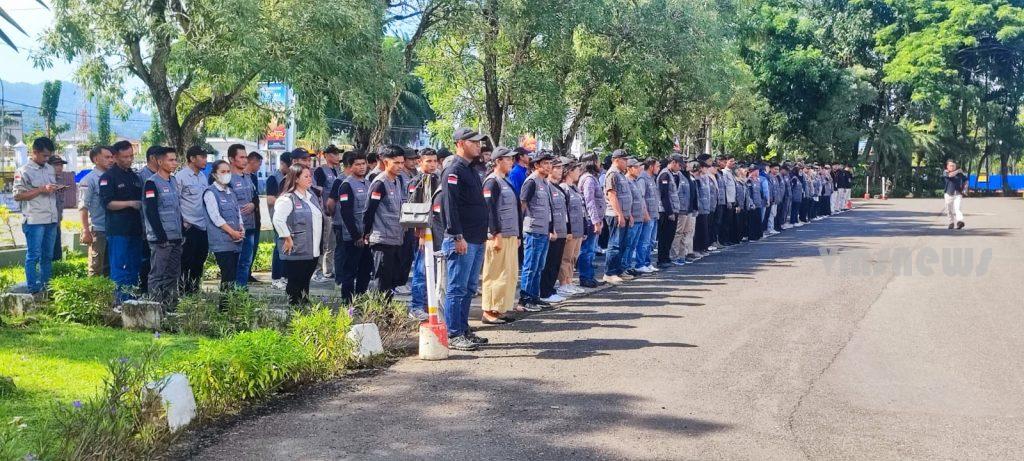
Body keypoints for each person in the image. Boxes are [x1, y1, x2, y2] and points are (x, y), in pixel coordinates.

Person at [440, 128, 490, 351]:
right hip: (462, 238)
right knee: (456, 288)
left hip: (476, 238)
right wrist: (456, 235)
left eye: (479, 142)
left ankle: (463, 329)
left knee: (469, 288)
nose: (479, 146)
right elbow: (449, 206)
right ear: (460, 143)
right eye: (474, 142)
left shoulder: (471, 169)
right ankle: (453, 333)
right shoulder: (454, 169)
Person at [13, 137, 61, 294]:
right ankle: (33, 289)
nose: (47, 159)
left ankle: (47, 288)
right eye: (44, 155)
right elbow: (18, 195)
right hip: (34, 220)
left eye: (49, 156)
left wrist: (56, 188)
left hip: (51, 219)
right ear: (34, 152)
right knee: (33, 256)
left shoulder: (49, 169)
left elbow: (49, 189)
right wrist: (40, 189)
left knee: (47, 256)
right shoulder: (23, 171)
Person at [100, 140, 145, 302]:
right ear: (116, 157)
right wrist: (130, 203)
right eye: (125, 157)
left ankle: (132, 300)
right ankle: (120, 301)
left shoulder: (134, 176)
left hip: (135, 228)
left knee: (134, 265)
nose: (129, 159)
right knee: (119, 267)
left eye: (131, 156)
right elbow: (108, 203)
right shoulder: (108, 177)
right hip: (118, 229)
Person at [481, 146, 521, 324]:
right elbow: (489, 211)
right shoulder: (492, 182)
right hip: (499, 235)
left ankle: (500, 308)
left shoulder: (505, 180)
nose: (511, 162)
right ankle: (489, 310)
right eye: (508, 159)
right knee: (495, 273)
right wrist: (495, 233)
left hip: (510, 234)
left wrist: (517, 235)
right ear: (498, 161)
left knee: (508, 274)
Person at [272, 164, 322, 304]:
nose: (310, 179)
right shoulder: (288, 199)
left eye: (310, 176)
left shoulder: (311, 197)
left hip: (312, 249)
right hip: (297, 249)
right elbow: (278, 220)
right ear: (296, 179)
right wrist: (287, 238)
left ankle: (304, 307)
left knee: (305, 282)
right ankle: (294, 309)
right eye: (306, 176)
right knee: (295, 283)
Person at [327, 151, 372, 302]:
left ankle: (360, 298)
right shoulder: (346, 185)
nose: (362, 167)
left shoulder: (368, 183)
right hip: (353, 237)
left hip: (366, 235)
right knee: (350, 271)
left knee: (365, 269)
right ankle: (347, 301)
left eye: (363, 164)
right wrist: (356, 236)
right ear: (350, 167)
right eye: (357, 164)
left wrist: (367, 233)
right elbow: (346, 213)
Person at [363, 146, 407, 297]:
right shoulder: (379, 183)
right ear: (386, 162)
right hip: (382, 239)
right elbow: (369, 210)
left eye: (402, 162)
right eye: (396, 163)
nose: (400, 166)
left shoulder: (397, 181)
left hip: (396, 238)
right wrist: (366, 232)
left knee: (391, 281)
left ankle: (388, 310)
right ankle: (378, 310)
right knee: (381, 281)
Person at [142, 147, 183, 307]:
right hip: (161, 238)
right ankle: (155, 306)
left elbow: (177, 209)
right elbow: (150, 211)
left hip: (176, 236)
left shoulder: (173, 181)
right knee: (157, 274)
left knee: (173, 274)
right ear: (160, 162)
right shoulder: (151, 183)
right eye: (170, 160)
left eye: (175, 160)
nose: (174, 163)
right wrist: (161, 236)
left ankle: (170, 305)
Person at [405, 148, 440, 321]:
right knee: (421, 271)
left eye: (435, 161)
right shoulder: (416, 182)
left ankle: (429, 304)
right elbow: (414, 209)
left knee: (434, 271)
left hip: (437, 231)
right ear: (420, 162)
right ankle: (416, 306)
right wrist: (419, 233)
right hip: (422, 233)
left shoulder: (437, 179)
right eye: (428, 161)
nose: (432, 165)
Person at [518, 150, 554, 311]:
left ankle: (534, 296)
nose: (549, 166)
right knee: (530, 266)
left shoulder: (544, 182)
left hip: (543, 230)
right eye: (545, 163)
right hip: (532, 230)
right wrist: (520, 229)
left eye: (550, 163)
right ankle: (525, 300)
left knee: (539, 266)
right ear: (537, 165)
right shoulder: (531, 182)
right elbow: (522, 205)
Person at [204, 160, 246, 292]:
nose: (226, 174)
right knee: (227, 276)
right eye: (222, 172)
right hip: (222, 241)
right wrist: (232, 232)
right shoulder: (210, 192)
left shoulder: (231, 192)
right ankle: (225, 303)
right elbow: (216, 218)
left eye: (228, 171)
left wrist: (241, 227)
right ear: (214, 174)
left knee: (232, 275)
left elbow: (238, 213)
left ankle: (231, 302)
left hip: (235, 240)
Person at [225, 145, 259, 288]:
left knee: (246, 262)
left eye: (246, 157)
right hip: (234, 229)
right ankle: (231, 293)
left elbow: (255, 197)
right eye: (242, 157)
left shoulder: (248, 177)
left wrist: (253, 204)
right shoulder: (226, 179)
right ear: (231, 159)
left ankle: (242, 291)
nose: (245, 160)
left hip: (249, 226)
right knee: (233, 263)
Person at [176, 146, 209, 293]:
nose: (205, 160)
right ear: (192, 159)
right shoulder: (180, 177)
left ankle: (195, 291)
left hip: (203, 225)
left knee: (199, 260)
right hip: (189, 226)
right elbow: (175, 201)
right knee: (186, 261)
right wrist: (182, 222)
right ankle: (184, 291)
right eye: (202, 157)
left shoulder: (202, 176)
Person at [79, 145, 113, 276]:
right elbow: (83, 207)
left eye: (111, 157)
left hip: (112, 228)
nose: (111, 160)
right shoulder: (89, 180)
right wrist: (85, 230)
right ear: (96, 159)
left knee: (110, 267)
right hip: (98, 229)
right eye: (107, 157)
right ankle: (94, 290)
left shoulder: (112, 177)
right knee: (96, 266)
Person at [539, 157, 568, 303]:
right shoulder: (547, 186)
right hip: (553, 230)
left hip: (561, 229)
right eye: (557, 167)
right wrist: (551, 229)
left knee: (556, 262)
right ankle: (545, 291)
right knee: (549, 262)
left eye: (561, 168)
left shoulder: (558, 187)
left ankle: (550, 289)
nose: (560, 170)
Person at [602, 149, 633, 284]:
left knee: (622, 244)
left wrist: (628, 214)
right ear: (616, 160)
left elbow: (625, 196)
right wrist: (619, 214)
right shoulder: (613, 174)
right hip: (615, 214)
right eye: (624, 160)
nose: (626, 162)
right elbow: (612, 195)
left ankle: (619, 270)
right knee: (614, 245)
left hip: (624, 214)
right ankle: (609, 273)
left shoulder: (621, 174)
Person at [312, 145, 342, 283]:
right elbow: (318, 192)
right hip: (326, 212)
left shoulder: (338, 170)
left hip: (337, 212)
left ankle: (329, 270)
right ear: (327, 155)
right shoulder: (320, 171)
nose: (337, 157)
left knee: (333, 243)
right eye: (335, 154)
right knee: (324, 242)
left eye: (338, 154)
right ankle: (317, 271)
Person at [575, 152, 604, 288]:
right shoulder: (588, 179)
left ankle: (590, 276)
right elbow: (589, 201)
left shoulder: (592, 178)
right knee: (587, 250)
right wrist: (595, 221)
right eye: (597, 161)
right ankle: (585, 277)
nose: (599, 163)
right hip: (589, 220)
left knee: (591, 250)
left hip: (593, 219)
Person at [558, 160, 586, 297]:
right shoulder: (563, 188)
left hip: (578, 228)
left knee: (574, 257)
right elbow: (565, 211)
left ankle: (569, 281)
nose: (579, 173)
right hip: (571, 229)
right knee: (566, 257)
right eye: (577, 170)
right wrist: (568, 230)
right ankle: (563, 283)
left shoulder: (574, 188)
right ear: (569, 171)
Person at [265, 152, 292, 290]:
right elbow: (270, 200)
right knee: (279, 246)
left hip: (290, 218)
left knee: (288, 245)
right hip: (278, 217)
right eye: (289, 166)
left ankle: (285, 276)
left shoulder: (291, 177)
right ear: (282, 163)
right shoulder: (273, 178)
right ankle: (276, 278)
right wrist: (286, 203)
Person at [634, 158, 661, 273]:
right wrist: (645, 214)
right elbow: (641, 197)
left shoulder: (651, 178)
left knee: (651, 241)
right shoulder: (642, 178)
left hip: (654, 214)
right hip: (647, 215)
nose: (659, 168)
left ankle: (647, 262)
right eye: (657, 166)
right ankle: (640, 264)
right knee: (644, 241)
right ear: (651, 166)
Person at [622, 159, 647, 277]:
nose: (639, 169)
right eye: (636, 167)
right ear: (629, 168)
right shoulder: (626, 181)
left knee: (633, 245)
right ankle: (624, 267)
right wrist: (630, 215)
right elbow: (627, 200)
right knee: (627, 244)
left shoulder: (635, 181)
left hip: (639, 217)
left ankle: (629, 266)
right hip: (632, 218)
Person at [656, 154, 681, 267]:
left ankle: (666, 258)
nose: (680, 167)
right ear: (673, 162)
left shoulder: (671, 174)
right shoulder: (665, 175)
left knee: (670, 236)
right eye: (679, 164)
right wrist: (670, 212)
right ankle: (662, 260)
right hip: (665, 211)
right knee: (664, 236)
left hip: (672, 209)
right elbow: (664, 195)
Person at [48, 155, 68, 261]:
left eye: (61, 165)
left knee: (57, 253)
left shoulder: (60, 180)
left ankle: (57, 269)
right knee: (46, 253)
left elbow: (60, 204)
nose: (60, 167)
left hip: (57, 221)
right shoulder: (45, 181)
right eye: (56, 165)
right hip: (46, 222)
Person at [943, 160, 968, 229]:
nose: (952, 167)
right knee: (949, 209)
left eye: (954, 166)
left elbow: (966, 180)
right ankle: (951, 222)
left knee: (958, 208)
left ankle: (960, 222)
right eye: (951, 166)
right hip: (948, 193)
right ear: (947, 166)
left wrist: (965, 188)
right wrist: (958, 171)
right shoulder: (945, 172)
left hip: (958, 193)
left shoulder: (959, 174)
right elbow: (950, 175)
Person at [747, 167, 765, 241]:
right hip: (753, 204)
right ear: (752, 171)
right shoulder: (749, 180)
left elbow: (760, 192)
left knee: (758, 220)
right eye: (756, 171)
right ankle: (752, 236)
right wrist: (751, 203)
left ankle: (758, 235)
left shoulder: (757, 180)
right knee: (752, 221)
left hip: (758, 203)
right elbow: (749, 193)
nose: (758, 173)